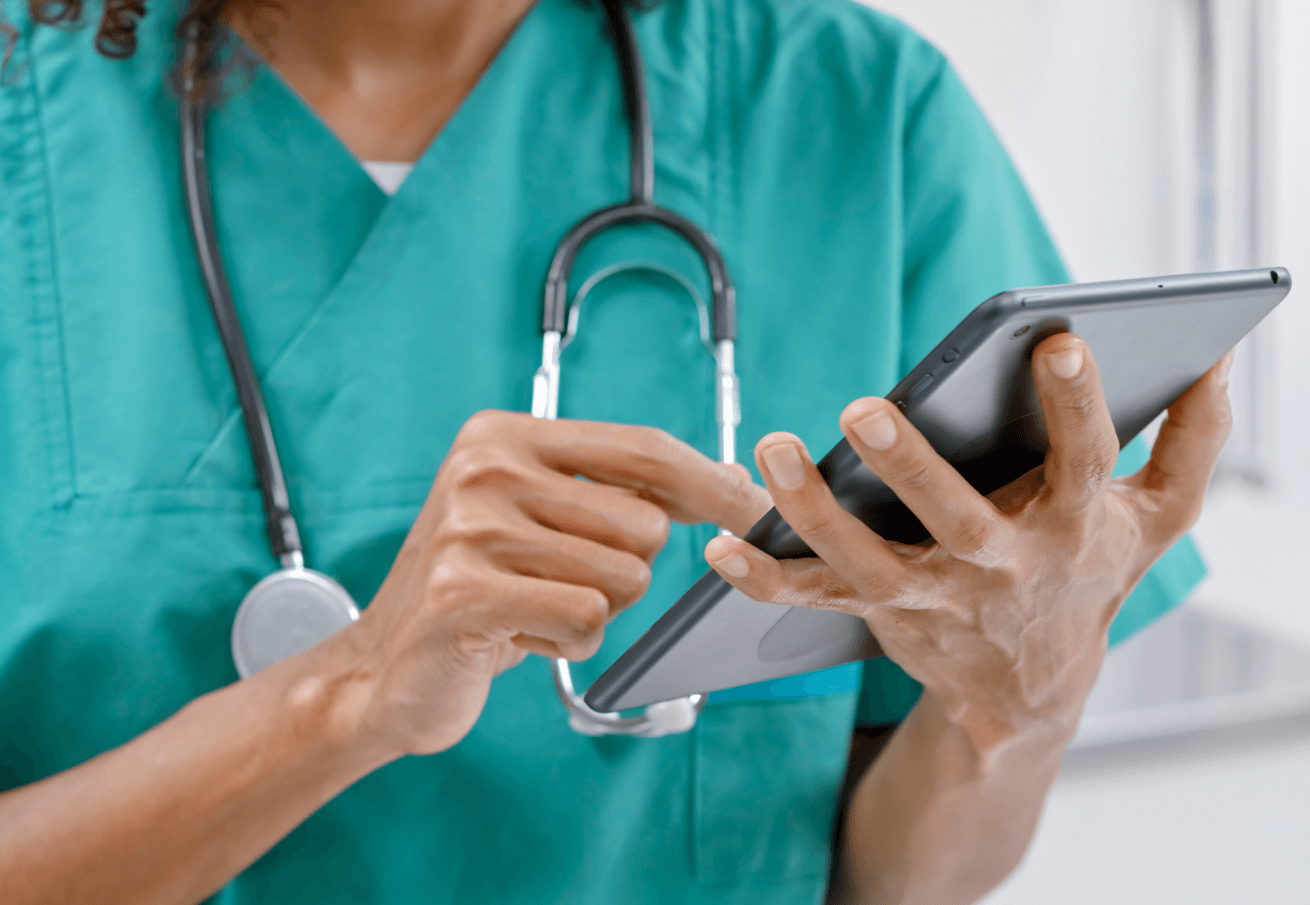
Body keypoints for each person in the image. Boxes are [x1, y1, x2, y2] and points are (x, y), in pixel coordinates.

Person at [0, 0, 1228, 902]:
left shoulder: (855, 112)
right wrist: (349, 692)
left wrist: (1015, 703)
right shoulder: (27, 119)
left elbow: (886, 876)